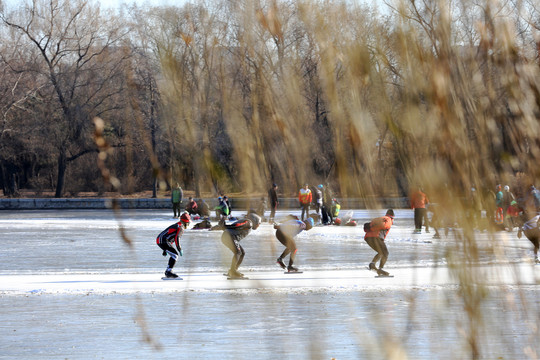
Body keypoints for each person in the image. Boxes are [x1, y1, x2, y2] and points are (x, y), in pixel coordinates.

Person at [221, 213, 261, 278]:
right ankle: (233, 271)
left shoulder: (248, 222)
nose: (259, 225)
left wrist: (226, 226)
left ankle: (233, 270)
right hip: (229, 236)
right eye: (259, 223)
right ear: (255, 221)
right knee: (238, 252)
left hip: (228, 236)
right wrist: (226, 226)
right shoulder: (249, 222)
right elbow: (237, 225)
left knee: (242, 253)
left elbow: (237, 225)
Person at [364, 209, 395, 276]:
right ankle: (380, 269)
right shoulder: (388, 219)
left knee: (380, 252)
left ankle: (372, 264)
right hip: (376, 237)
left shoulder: (379, 218)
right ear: (393, 217)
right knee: (385, 253)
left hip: (368, 238)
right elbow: (384, 226)